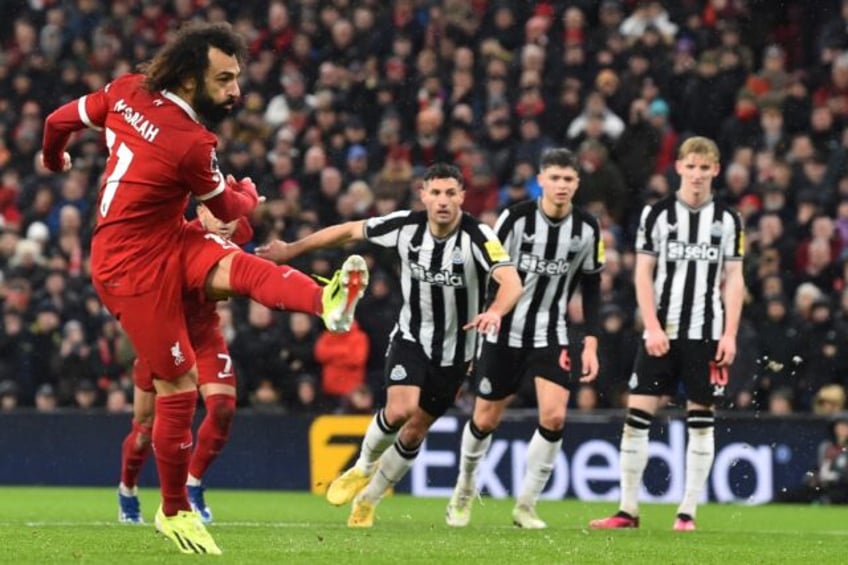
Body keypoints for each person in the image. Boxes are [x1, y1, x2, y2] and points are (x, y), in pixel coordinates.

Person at [40, 23, 368, 554]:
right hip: (128, 267)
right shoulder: (191, 142)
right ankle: (173, 511)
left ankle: (325, 300)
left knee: (236, 264)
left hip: (165, 237)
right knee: (178, 387)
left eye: (237, 77)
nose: (236, 90)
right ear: (192, 80)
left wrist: (54, 158)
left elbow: (58, 120)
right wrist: (246, 192)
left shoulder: (126, 91)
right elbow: (226, 212)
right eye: (225, 79)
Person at [258, 163, 523, 528]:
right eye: (436, 193)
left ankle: (369, 499)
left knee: (415, 431)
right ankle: (362, 467)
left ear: (462, 196)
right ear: (423, 195)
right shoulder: (405, 226)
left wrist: (494, 311)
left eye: (450, 193)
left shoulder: (479, 237)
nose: (443, 201)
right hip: (411, 338)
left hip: (456, 354)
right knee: (400, 410)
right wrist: (292, 250)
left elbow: (511, 282)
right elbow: (350, 230)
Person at [589, 136, 745, 532]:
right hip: (663, 333)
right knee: (637, 414)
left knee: (701, 418)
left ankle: (687, 513)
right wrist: (653, 326)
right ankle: (627, 510)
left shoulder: (729, 220)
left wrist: (729, 334)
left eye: (704, 168)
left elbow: (734, 278)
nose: (696, 175)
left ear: (715, 170)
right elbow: (643, 272)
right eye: (690, 166)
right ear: (678, 167)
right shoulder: (655, 215)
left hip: (706, 334)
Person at [444, 148, 604, 529]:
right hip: (504, 331)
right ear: (541, 180)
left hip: (552, 333)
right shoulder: (514, 219)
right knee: (484, 420)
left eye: (569, 179)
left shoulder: (587, 228)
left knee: (554, 415)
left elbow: (592, 285)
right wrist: (482, 320)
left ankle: (526, 505)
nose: (562, 185)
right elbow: (488, 271)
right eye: (555, 178)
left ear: (577, 183)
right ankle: (463, 491)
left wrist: (593, 340)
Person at [117, 204, 249, 525]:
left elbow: (245, 230)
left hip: (204, 335)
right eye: (216, 216)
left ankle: (193, 485)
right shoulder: (177, 237)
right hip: (163, 335)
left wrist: (241, 209)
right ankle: (128, 489)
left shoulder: (232, 232)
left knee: (222, 409)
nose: (223, 223)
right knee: (143, 430)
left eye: (227, 218)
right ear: (201, 212)